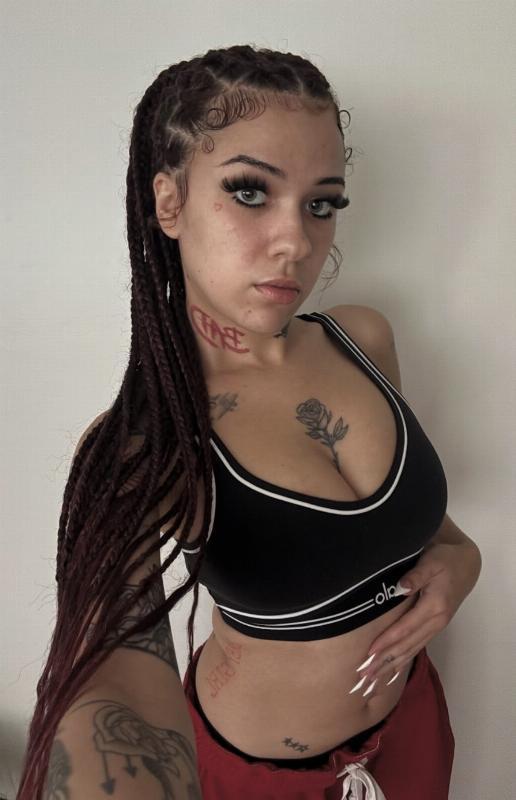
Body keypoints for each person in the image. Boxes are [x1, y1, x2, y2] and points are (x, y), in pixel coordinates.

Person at [17, 44, 482, 800]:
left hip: (410, 729)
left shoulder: (362, 339)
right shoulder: (146, 441)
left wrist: (463, 565)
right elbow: (112, 691)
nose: (297, 241)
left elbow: (426, 535)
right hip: (256, 777)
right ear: (170, 203)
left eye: (322, 203)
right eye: (249, 191)